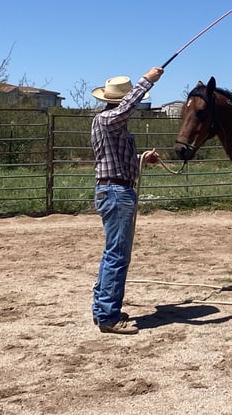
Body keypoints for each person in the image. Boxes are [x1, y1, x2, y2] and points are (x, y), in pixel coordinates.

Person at [90, 67, 163, 334]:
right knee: (117, 255)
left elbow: (116, 161)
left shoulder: (108, 123)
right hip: (116, 193)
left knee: (114, 252)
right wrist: (148, 81)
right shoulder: (110, 119)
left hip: (115, 190)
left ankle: (104, 310)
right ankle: (108, 316)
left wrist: (142, 159)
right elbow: (127, 107)